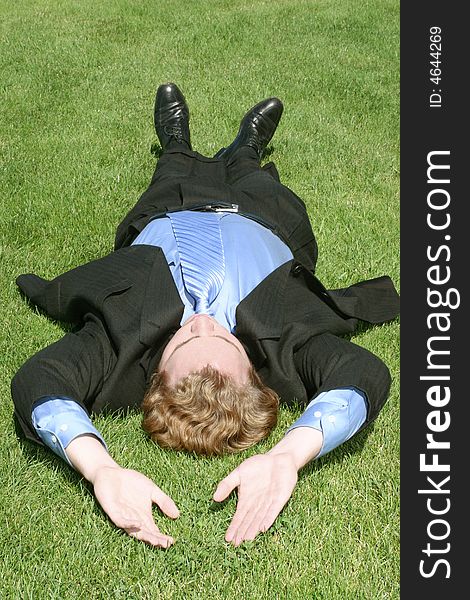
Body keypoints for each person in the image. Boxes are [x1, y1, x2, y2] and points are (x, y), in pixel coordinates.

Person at [11, 83, 399, 549]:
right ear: (255, 372)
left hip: (169, 205)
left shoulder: (118, 347)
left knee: (170, 170)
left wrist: (101, 469)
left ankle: (175, 142)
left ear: (155, 376)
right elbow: (364, 372)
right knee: (254, 176)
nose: (202, 322)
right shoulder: (288, 350)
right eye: (224, 339)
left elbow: (41, 380)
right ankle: (246, 150)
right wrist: (287, 458)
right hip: (264, 214)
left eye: (185, 340)